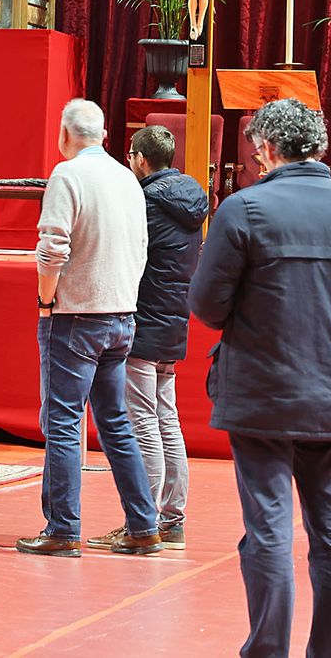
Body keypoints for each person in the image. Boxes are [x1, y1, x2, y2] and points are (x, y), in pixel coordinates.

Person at [189, 98, 331, 657]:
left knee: (269, 525)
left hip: (262, 394)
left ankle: (268, 650)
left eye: (256, 153)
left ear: (270, 149)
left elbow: (206, 306)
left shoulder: (245, 209)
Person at [18, 98, 163, 558]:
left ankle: (62, 528)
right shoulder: (128, 178)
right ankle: (144, 524)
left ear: (63, 135)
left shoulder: (67, 175)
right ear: (103, 136)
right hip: (121, 314)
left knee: (63, 420)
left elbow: (52, 248)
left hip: (77, 315)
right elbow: (142, 247)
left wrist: (45, 298)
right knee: (115, 421)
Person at [87, 125, 208, 553]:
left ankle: (146, 521)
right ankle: (173, 521)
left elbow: (125, 256)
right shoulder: (190, 201)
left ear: (139, 158)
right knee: (167, 421)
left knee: (142, 425)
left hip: (144, 323)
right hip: (174, 322)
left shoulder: (144, 202)